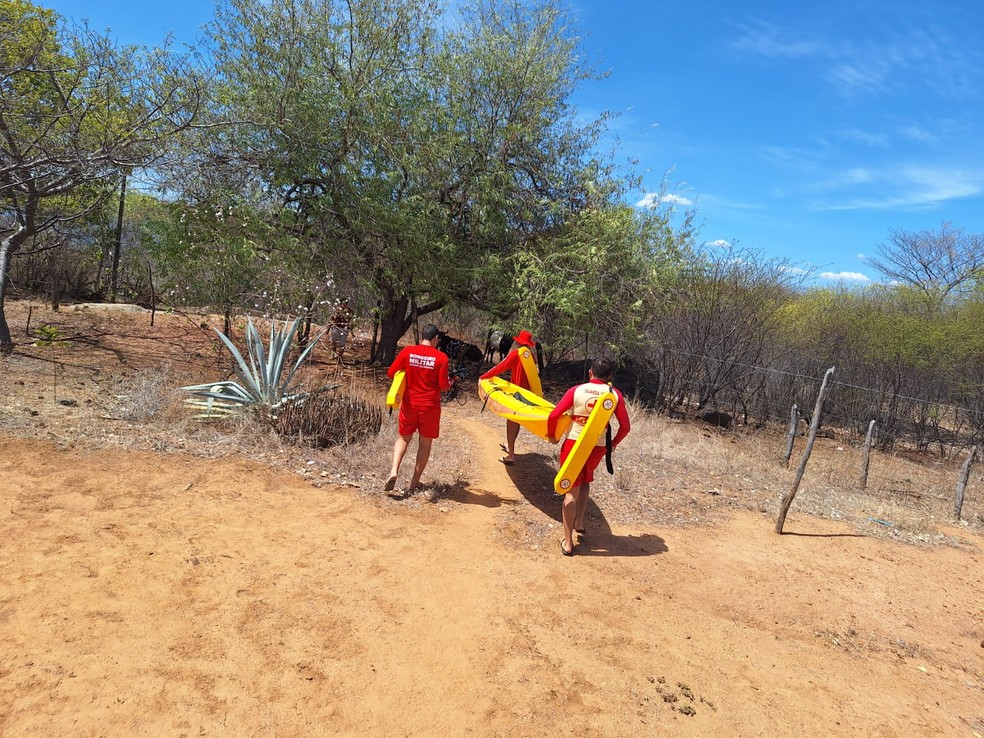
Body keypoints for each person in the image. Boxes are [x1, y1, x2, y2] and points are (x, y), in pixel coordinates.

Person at [547, 358, 631, 556]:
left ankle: (568, 543)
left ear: (590, 373)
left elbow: (554, 415)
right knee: (585, 479)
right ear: (610, 376)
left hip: (574, 444)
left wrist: (552, 435)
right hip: (598, 446)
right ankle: (580, 522)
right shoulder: (615, 395)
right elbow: (625, 427)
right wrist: (614, 443)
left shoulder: (577, 390)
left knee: (569, 490)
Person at [384, 323, 453, 498]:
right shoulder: (441, 358)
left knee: (403, 438)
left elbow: (391, 372)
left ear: (422, 336)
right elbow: (444, 386)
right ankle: (414, 482)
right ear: (435, 339)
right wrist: (452, 381)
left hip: (409, 405)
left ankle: (394, 470)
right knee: (425, 444)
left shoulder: (407, 352)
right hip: (429, 408)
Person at [479, 328, 537, 464]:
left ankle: (511, 455)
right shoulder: (531, 357)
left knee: (511, 421)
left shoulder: (516, 354)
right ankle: (511, 448)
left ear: (518, 342)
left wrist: (484, 376)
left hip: (516, 394)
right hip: (526, 395)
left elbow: (500, 367)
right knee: (515, 421)